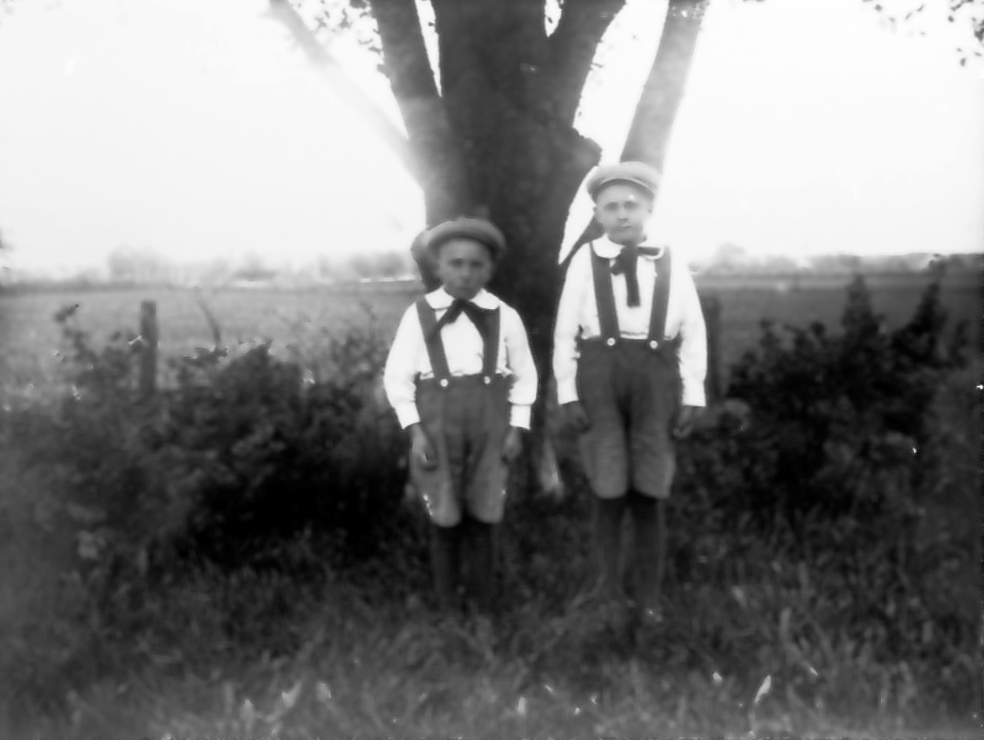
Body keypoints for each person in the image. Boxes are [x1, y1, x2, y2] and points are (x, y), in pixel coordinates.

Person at [553, 161, 707, 622]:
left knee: (649, 490)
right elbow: (565, 331)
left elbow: (693, 330)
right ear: (597, 215)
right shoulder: (586, 260)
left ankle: (649, 599)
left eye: (631, 205)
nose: (622, 214)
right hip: (599, 376)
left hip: (656, 377)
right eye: (611, 207)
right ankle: (608, 593)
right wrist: (568, 392)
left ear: (649, 210)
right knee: (608, 487)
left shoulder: (670, 258)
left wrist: (693, 394)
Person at [383, 217, 538, 615]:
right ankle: (449, 607)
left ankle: (483, 606)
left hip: (491, 425)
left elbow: (524, 376)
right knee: (443, 514)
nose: (466, 273)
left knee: (485, 512)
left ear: (490, 270)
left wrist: (516, 428)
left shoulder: (504, 315)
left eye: (475, 265)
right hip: (436, 425)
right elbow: (398, 377)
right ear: (438, 267)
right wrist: (415, 431)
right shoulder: (419, 315)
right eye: (456, 263)